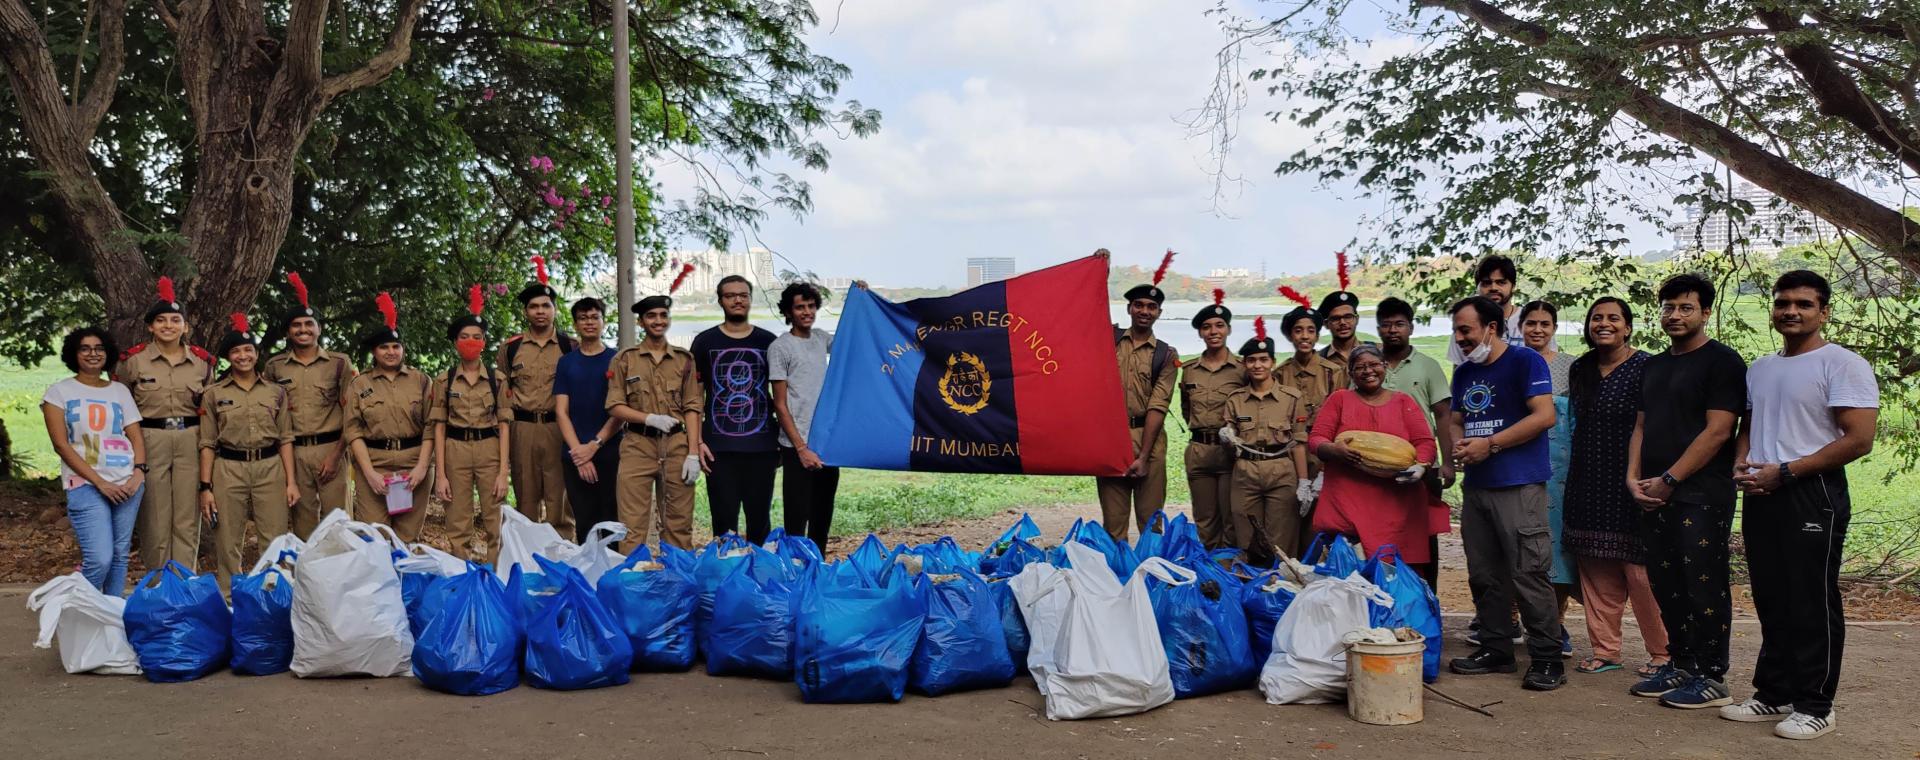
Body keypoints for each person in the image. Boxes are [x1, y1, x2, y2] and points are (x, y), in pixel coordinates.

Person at [1723, 270, 1877, 741]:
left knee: (1811, 598)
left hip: (1813, 492)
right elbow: (1750, 422)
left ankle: (1816, 704)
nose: (1791, 310)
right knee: (1772, 595)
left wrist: (1787, 471)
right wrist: (1742, 461)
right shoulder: (1762, 367)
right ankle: (1774, 692)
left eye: (1803, 304)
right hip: (1763, 490)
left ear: (1823, 311)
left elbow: (1859, 439)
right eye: (1783, 303)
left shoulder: (1843, 364)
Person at [1627, 273, 1747, 708]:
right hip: (1653, 493)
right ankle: (1682, 664)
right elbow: (1641, 426)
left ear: (1706, 312)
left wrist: (1670, 479)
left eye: (1685, 307)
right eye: (1668, 308)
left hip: (1701, 493)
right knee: (1666, 582)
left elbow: (1718, 432)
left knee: (1703, 584)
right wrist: (1633, 477)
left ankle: (1713, 677)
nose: (1674, 315)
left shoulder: (1723, 363)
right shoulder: (1654, 365)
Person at [1445, 295, 1563, 690]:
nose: (1459, 338)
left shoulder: (1524, 361)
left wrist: (1491, 444)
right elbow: (1456, 419)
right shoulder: (1464, 373)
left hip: (1519, 485)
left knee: (1528, 572)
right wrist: (1461, 445)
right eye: (1457, 331)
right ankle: (1496, 649)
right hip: (1478, 487)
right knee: (1484, 573)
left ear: (1491, 328)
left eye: (1466, 330)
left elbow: (1544, 416)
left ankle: (1547, 658)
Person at [1562, 298, 1668, 678]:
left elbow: (1654, 426)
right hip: (1587, 480)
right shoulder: (1581, 368)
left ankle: (1663, 653)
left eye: (1613, 318)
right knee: (1595, 569)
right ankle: (1606, 651)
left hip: (1632, 482)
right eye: (1596, 318)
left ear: (1628, 327)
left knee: (1640, 574)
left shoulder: (1648, 367)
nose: (1603, 324)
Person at [1308, 345, 1438, 576]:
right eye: (1360, 367)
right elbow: (1316, 439)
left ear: (1385, 367)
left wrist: (1420, 465)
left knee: (1394, 577)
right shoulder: (1340, 399)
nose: (1368, 371)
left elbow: (1425, 441)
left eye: (1374, 365)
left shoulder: (1403, 401)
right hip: (1347, 503)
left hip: (1396, 504)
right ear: (1350, 373)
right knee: (1351, 577)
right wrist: (1333, 450)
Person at [116, 277, 214, 572]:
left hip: (189, 438)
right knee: (155, 517)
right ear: (150, 326)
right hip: (150, 437)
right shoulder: (134, 362)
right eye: (161, 320)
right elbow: (120, 403)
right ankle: (158, 584)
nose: (168, 325)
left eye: (175, 320)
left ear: (185, 326)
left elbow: (209, 408)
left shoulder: (202, 363)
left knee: (187, 516)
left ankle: (184, 583)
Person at [197, 314, 299, 595]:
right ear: (229, 357)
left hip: (270, 466)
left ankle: (273, 591)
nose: (243, 356)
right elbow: (206, 442)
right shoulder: (214, 393)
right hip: (229, 467)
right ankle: (230, 596)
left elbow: (286, 438)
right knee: (228, 537)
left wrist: (291, 481)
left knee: (274, 535)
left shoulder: (276, 392)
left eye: (248, 350)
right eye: (236, 351)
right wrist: (205, 487)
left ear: (256, 353)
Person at [42, 327, 147, 595]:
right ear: (74, 354)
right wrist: (100, 482)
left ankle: (110, 620)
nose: (93, 353)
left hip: (127, 483)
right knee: (100, 558)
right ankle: (74, 608)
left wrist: (139, 473)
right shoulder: (59, 392)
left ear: (107, 352)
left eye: (99, 348)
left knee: (120, 555)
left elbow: (135, 436)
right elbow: (61, 445)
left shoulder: (120, 391)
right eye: (85, 348)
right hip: (86, 485)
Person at [606, 281, 704, 552]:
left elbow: (693, 406)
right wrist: (648, 418)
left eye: (663, 315)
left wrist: (693, 453)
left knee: (678, 523)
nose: (658, 321)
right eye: (651, 316)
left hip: (676, 446)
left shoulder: (685, 359)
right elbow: (614, 405)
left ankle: (677, 582)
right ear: (641, 322)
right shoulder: (625, 359)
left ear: (669, 319)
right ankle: (633, 584)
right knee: (632, 525)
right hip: (638, 445)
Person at [261, 272, 354, 539]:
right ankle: (309, 578)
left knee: (339, 523)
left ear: (318, 328)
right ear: (289, 332)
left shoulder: (339, 363)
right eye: (296, 325)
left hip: (331, 448)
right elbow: (271, 414)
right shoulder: (275, 366)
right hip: (294, 451)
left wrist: (337, 455)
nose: (303, 329)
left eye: (308, 324)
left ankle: (341, 577)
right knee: (303, 524)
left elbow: (351, 413)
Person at [1098, 249, 1178, 542]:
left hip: (1149, 440)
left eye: (1152, 307)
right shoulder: (1108, 341)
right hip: (1112, 437)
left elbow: (1158, 405)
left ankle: (1151, 578)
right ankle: (1115, 582)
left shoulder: (1166, 355)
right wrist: (1100, 273)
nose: (1145, 311)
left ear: (1159, 312)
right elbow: (1087, 312)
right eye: (1139, 305)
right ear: (1129, 308)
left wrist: (1144, 456)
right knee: (1114, 524)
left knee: (1151, 523)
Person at [692, 274, 779, 543]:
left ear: (750, 300)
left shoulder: (768, 342)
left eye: (743, 295)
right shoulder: (704, 342)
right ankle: (725, 576)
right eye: (730, 296)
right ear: (720, 301)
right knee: (723, 524)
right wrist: (696, 442)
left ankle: (759, 578)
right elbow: (695, 397)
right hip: (719, 449)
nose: (737, 300)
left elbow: (782, 395)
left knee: (760, 523)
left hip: (762, 447)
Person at [1376, 297, 1457, 582]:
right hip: (1377, 467)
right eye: (1386, 325)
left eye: (1399, 324)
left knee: (1423, 538)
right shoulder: (1370, 366)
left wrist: (1447, 464)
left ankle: (1425, 600)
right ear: (1378, 329)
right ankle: (1387, 601)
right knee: (1381, 535)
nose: (1392, 330)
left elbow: (1443, 416)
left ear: (1410, 327)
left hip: (1422, 465)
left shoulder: (1428, 366)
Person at [344, 293, 435, 542]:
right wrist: (369, 473)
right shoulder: (360, 383)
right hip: (375, 466)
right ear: (375, 352)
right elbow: (353, 431)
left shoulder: (421, 380)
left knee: (407, 537)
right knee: (376, 536)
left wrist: (422, 467)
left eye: (396, 346)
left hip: (413, 466)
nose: (391, 352)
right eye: (384, 347)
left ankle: (405, 580)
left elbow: (431, 427)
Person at [432, 287, 511, 562]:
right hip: (456, 451)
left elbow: (504, 425)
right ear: (455, 342)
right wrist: (440, 475)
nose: (470, 342)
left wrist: (503, 472)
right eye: (464, 337)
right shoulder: (444, 380)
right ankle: (461, 574)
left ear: (484, 342)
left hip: (489, 450)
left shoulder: (497, 379)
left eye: (476, 337)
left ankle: (495, 574)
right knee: (457, 519)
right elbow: (439, 426)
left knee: (494, 517)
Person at [1517, 300, 1578, 657]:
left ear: (1554, 327)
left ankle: (1555, 623)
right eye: (1530, 323)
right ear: (1520, 326)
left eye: (1544, 323)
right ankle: (1519, 620)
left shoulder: (1571, 367)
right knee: (1517, 545)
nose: (1537, 329)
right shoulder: (1509, 363)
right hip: (1518, 462)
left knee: (1556, 548)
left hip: (1560, 470)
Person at [1220, 318, 1310, 557]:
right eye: (1251, 360)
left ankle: (1281, 584)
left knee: (1281, 537)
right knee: (1247, 536)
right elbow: (1231, 445)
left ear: (1273, 362)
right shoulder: (1236, 399)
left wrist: (1303, 482)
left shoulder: (1292, 398)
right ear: (1244, 364)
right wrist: (1227, 439)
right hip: (1245, 472)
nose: (1257, 365)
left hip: (1281, 470)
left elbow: (1299, 443)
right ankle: (1252, 585)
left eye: (1263, 359)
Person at [501, 256, 576, 536]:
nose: (540, 311)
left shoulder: (570, 346)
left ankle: (562, 554)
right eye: (534, 306)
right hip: (523, 430)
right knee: (526, 499)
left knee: (560, 499)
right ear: (526, 312)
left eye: (546, 306)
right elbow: (504, 391)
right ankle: (527, 557)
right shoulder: (511, 349)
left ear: (555, 310)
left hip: (559, 428)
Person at [770, 282, 839, 552]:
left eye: (811, 306)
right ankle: (797, 572)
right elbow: (780, 404)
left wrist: (863, 299)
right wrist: (800, 448)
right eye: (800, 307)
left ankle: (818, 570)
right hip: (796, 445)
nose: (807, 312)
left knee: (823, 516)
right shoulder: (780, 347)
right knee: (797, 518)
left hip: (826, 442)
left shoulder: (822, 339)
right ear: (789, 311)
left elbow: (855, 339)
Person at [1177, 289, 1242, 549]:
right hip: (1199, 450)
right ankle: (1208, 567)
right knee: (1204, 517)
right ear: (1200, 333)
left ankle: (1228, 567)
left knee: (1230, 515)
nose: (1213, 331)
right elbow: (1185, 408)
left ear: (1228, 329)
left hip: (1229, 450)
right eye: (1206, 327)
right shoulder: (1190, 370)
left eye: (1219, 325)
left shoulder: (1241, 369)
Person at [554, 297, 622, 543]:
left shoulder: (617, 360)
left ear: (603, 321)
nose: (589, 323)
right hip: (574, 454)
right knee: (584, 522)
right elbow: (561, 411)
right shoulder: (566, 362)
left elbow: (619, 411)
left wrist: (594, 445)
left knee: (611, 520)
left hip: (609, 452)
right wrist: (579, 453)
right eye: (583, 318)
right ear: (575, 324)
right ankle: (587, 577)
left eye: (595, 317)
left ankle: (611, 577)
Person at [1450, 254, 1525, 365]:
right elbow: (1458, 372)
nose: (1493, 288)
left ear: (1513, 286)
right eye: (1486, 283)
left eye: (1501, 282)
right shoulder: (1464, 328)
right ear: (1477, 287)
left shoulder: (1533, 321)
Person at [1315, 253, 1369, 367]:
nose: (1343, 323)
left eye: (1348, 317)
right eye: (1335, 319)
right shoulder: (1318, 361)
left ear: (1357, 319)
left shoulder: (1377, 351)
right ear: (1326, 324)